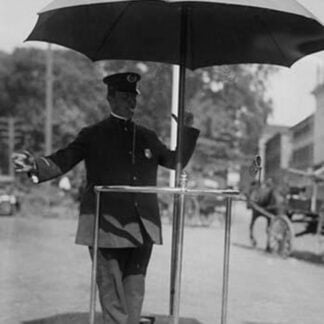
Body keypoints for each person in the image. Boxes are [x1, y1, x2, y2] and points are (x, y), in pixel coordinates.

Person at [12, 72, 200, 324]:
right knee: (111, 293)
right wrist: (34, 164)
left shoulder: (147, 136)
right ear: (110, 99)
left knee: (134, 290)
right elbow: (64, 159)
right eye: (124, 97)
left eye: (133, 97)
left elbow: (175, 162)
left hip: (143, 227)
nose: (130, 103)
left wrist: (186, 129)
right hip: (106, 226)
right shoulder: (92, 135)